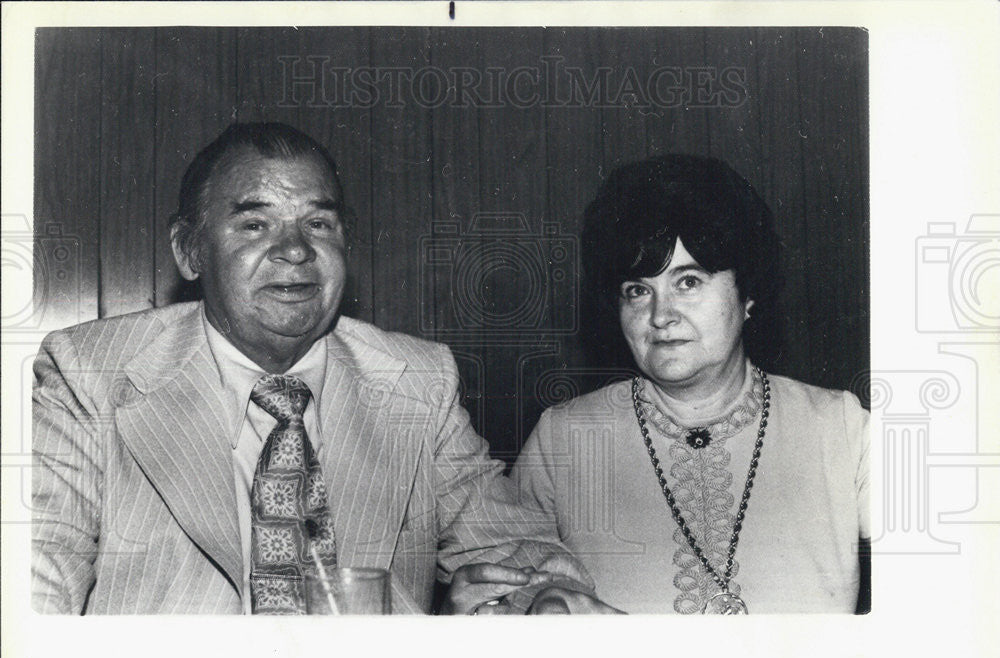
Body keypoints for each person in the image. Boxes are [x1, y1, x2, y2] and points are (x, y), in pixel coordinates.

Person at [31, 122, 595, 615]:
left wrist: (541, 601)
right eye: (256, 225)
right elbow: (37, 572)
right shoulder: (90, 374)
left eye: (319, 224)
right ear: (190, 251)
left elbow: (513, 542)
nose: (296, 250)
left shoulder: (417, 380)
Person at [510, 154, 870, 614]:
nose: (660, 316)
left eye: (689, 282)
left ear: (749, 294)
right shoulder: (562, 438)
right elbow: (507, 609)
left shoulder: (841, 429)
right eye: (637, 290)